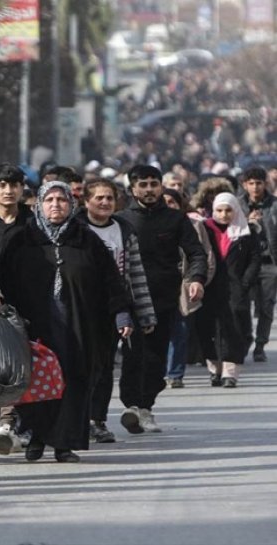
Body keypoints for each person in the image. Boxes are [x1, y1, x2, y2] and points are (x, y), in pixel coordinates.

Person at [0, 181, 131, 462]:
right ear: (39, 205)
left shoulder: (87, 239)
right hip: (34, 326)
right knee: (37, 381)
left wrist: (121, 313)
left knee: (72, 380)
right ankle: (35, 438)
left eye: (62, 200)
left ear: (71, 205)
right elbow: (1, 280)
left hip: (79, 325)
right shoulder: (22, 240)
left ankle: (63, 443)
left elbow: (111, 281)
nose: (55, 205)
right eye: (49, 200)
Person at [116, 165, 207, 434]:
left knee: (156, 358)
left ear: (160, 186)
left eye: (153, 184)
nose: (149, 190)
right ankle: (132, 405)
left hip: (163, 298)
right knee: (132, 355)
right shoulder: (121, 221)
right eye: (142, 185)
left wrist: (196, 279)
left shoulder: (176, 219)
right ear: (132, 189)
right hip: (128, 299)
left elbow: (196, 253)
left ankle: (146, 407)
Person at [78, 179, 156, 444]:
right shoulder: (75, 229)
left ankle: (96, 420)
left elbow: (136, 274)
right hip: (79, 308)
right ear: (86, 201)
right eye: (98, 198)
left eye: (109, 198)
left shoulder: (124, 230)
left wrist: (144, 313)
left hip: (113, 308)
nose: (104, 203)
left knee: (104, 367)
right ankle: (74, 419)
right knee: (79, 367)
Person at [0, 163, 33, 455]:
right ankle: (7, 422)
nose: (8, 190)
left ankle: (12, 423)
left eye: (14, 185)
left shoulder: (33, 222)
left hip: (28, 304)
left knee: (22, 364)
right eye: (2, 185)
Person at [199, 193, 261, 387]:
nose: (224, 215)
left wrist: (245, 283)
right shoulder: (204, 230)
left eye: (228, 210)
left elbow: (254, 259)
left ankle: (230, 373)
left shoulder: (246, 232)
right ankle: (215, 369)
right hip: (209, 287)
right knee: (209, 327)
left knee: (234, 328)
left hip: (236, 288)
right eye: (219, 210)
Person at [162, 188, 216, 388]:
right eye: (164, 201)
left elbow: (206, 257)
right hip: (159, 286)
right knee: (159, 332)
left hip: (185, 286)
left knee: (181, 331)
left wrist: (199, 281)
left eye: (172, 202)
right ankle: (157, 372)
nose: (168, 206)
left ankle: (175, 374)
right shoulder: (151, 225)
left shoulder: (194, 225)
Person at [238, 167, 277, 362]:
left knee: (266, 306)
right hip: (244, 263)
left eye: (259, 183)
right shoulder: (238, 205)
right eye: (251, 183)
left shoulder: (274, 205)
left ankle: (260, 345)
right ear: (245, 185)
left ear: (265, 184)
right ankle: (246, 339)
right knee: (242, 304)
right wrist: (247, 222)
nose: (255, 187)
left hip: (269, 262)